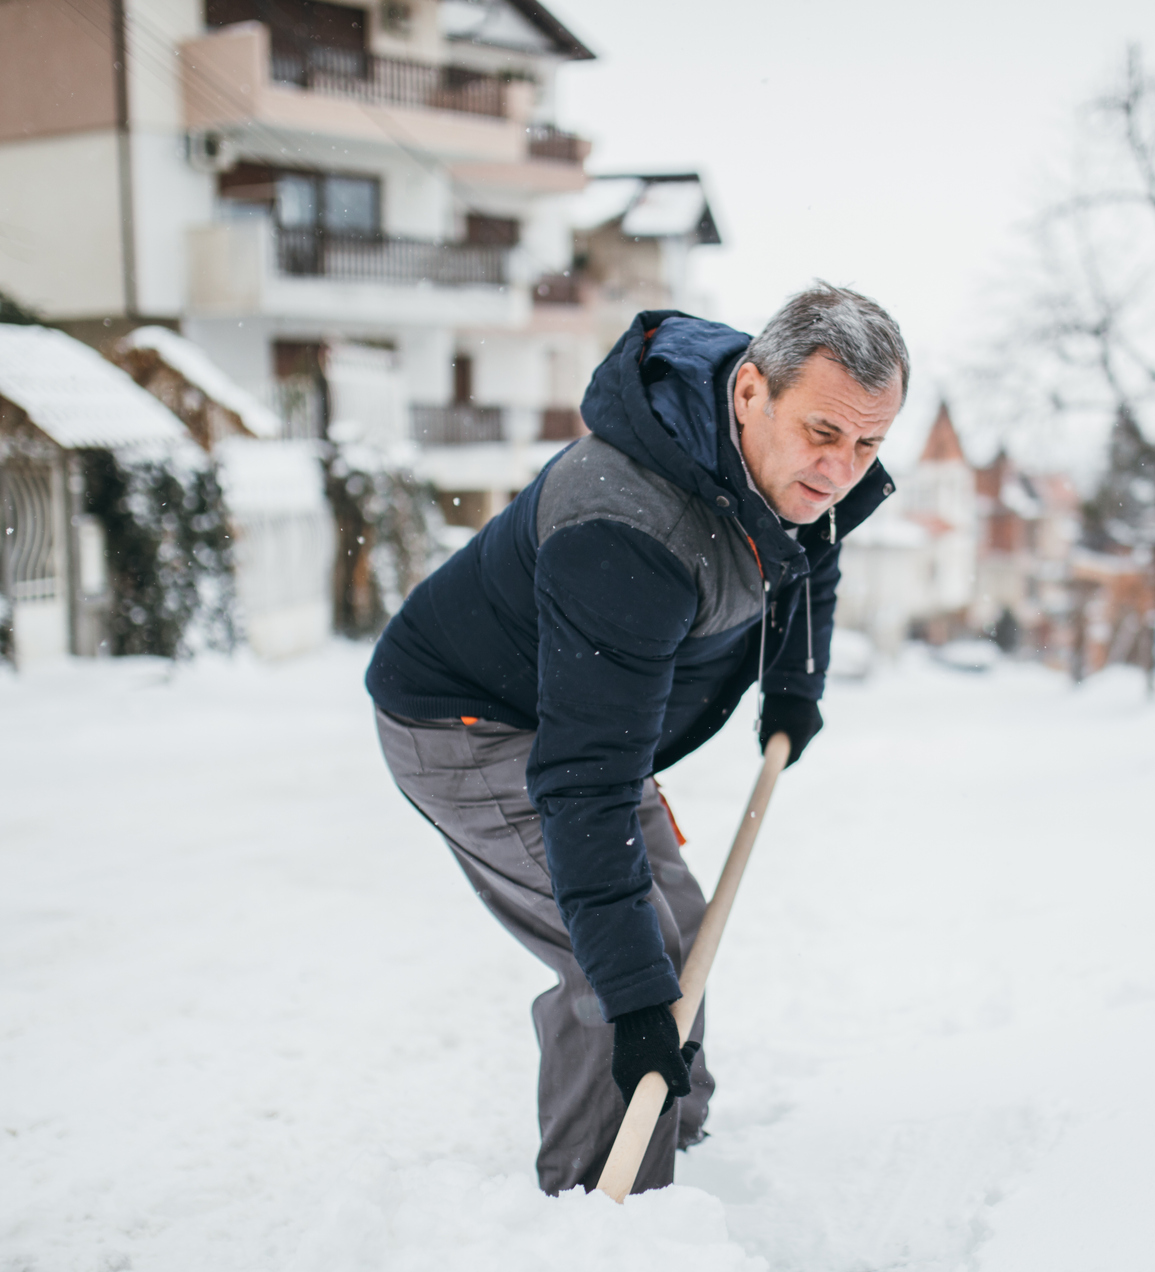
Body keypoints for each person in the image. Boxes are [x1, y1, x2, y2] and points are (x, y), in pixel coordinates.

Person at [366, 284, 908, 1196]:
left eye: (869, 445)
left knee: (678, 937)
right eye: (824, 434)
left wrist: (791, 687)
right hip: (464, 722)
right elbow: (585, 782)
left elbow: (810, 548)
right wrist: (633, 1002)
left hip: (572, 711)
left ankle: (671, 1131)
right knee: (619, 970)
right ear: (749, 393)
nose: (842, 468)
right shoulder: (625, 527)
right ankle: (598, 1211)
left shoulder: (783, 456)